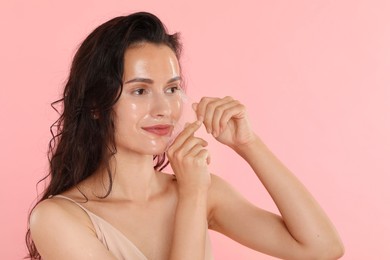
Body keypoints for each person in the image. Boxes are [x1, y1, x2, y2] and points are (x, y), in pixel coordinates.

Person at [26, 11, 344, 260]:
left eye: (172, 88)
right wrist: (192, 199)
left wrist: (248, 144)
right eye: (140, 90)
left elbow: (322, 247)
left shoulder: (202, 189)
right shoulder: (57, 219)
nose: (164, 108)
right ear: (96, 104)